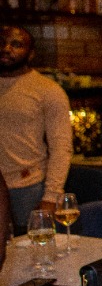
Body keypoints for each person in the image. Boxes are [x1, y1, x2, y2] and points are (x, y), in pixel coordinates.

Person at [0, 25, 73, 230]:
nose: (6, 48)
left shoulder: (48, 91)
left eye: (16, 45)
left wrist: (51, 196)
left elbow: (61, 147)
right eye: (2, 42)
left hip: (28, 187)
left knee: (33, 253)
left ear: (31, 54)